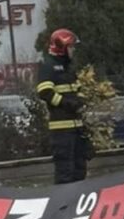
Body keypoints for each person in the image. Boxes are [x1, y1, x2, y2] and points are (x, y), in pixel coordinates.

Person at [36, 28, 89, 185]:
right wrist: (67, 103)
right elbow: (44, 92)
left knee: (80, 169)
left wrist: (81, 102)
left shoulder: (68, 68)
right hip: (62, 130)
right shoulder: (49, 66)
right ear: (62, 47)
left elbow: (76, 92)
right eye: (71, 47)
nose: (73, 50)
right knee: (65, 171)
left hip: (77, 128)